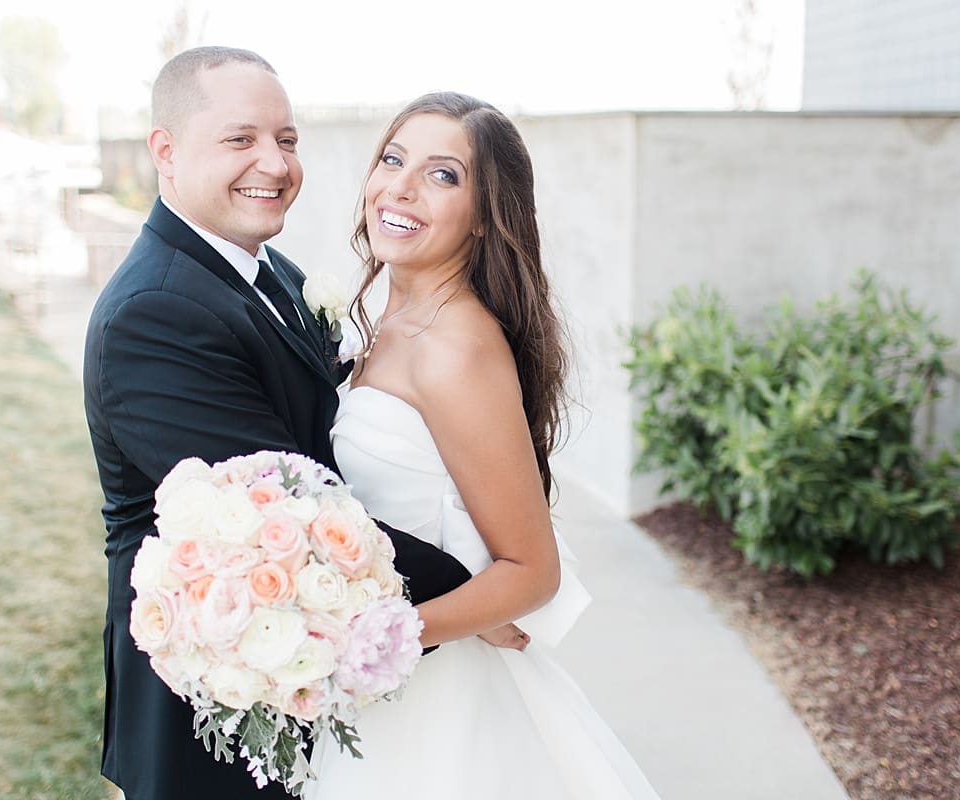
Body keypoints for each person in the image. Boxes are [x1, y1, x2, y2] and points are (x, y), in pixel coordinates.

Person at [82, 47, 472, 800]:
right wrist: (476, 594)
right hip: (208, 716)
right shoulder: (154, 313)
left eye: (287, 140)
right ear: (164, 150)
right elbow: (292, 513)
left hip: (302, 673)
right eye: (241, 139)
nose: (275, 162)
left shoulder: (272, 273)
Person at [306, 92, 661, 799]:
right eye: (393, 159)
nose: (401, 187)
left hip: (430, 699)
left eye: (443, 175)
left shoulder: (456, 347)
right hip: (385, 685)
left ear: (482, 219)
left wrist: (373, 642)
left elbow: (532, 570)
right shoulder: (389, 320)